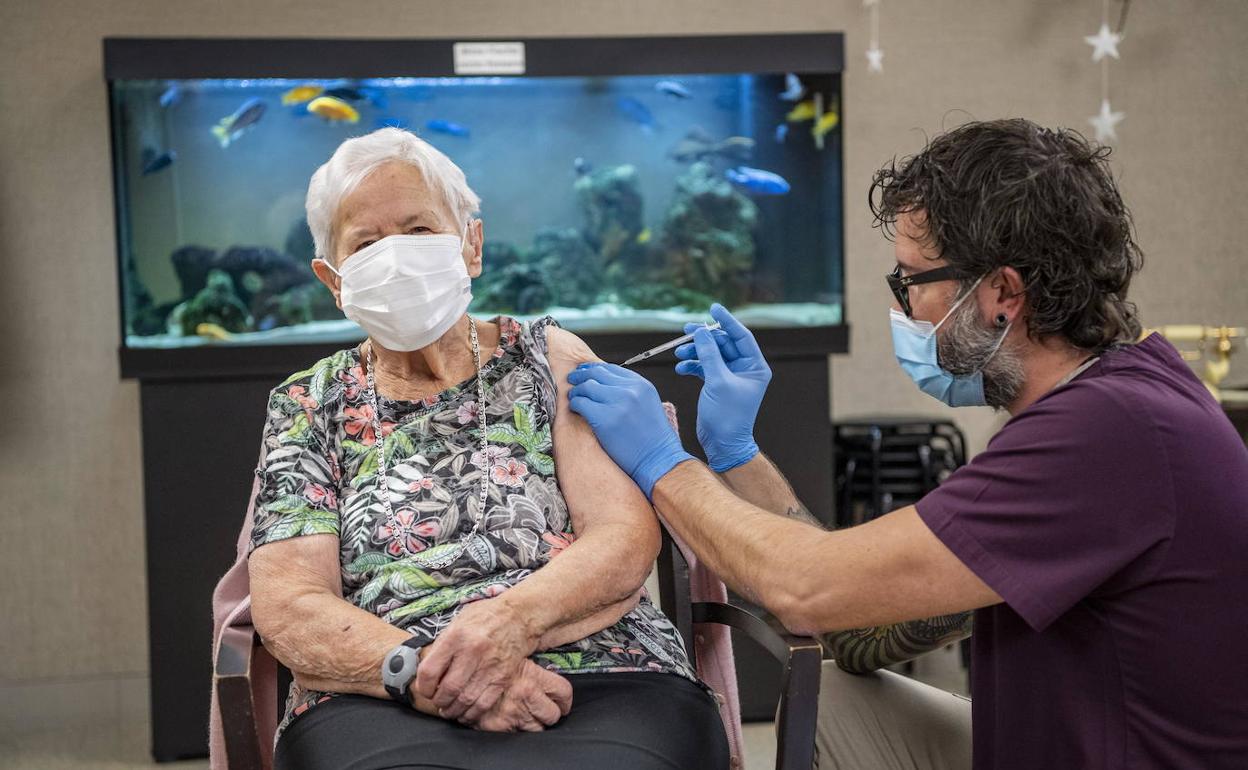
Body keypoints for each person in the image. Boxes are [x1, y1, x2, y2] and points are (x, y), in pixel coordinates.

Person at [567, 119, 1248, 769]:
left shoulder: (1106, 437)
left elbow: (806, 590)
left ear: (1001, 293)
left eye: (911, 282)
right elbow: (855, 631)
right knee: (832, 699)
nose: (903, 311)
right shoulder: (1111, 401)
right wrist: (737, 453)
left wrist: (663, 463)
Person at [247, 128, 727, 770]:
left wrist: (505, 627)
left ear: (471, 244)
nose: (395, 256)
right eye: (366, 243)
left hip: (608, 668)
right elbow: (290, 604)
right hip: (384, 691)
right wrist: (427, 675)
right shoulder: (308, 404)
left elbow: (621, 538)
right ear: (334, 280)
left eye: (419, 231)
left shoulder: (551, 359)